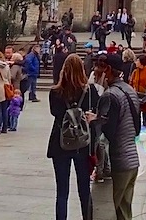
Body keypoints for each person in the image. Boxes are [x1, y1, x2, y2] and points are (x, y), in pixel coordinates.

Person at [88, 51, 142, 220]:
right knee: (125, 209)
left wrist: (94, 120)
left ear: (108, 70)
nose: (96, 71)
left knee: (115, 208)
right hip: (133, 158)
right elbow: (136, 125)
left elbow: (109, 131)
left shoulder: (110, 95)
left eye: (99, 68)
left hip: (120, 158)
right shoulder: (129, 89)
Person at [48, 54, 96, 220]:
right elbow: (94, 113)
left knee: (62, 191)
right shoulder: (89, 91)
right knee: (84, 188)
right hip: (82, 143)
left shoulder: (55, 92)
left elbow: (55, 113)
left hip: (61, 141)